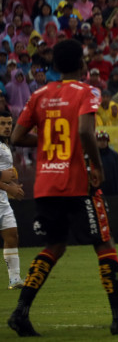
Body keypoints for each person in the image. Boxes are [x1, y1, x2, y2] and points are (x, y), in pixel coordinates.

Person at [8, 38, 118, 336]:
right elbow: (84, 130)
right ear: (82, 64)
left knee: (54, 246)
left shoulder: (39, 95)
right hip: (77, 184)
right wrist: (97, 166)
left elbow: (16, 137)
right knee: (104, 244)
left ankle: (20, 312)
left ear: (55, 66)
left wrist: (47, 140)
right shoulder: (86, 92)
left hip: (46, 184)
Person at [0, 111, 24, 290]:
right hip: (4, 193)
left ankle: (14, 279)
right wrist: (9, 188)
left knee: (12, 235)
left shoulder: (5, 145)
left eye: (9, 123)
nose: (7, 127)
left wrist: (13, 185)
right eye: (2, 124)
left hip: (2, 201)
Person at [96, 130, 118, 197]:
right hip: (98, 190)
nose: (102, 142)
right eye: (100, 140)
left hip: (113, 191)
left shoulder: (114, 155)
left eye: (104, 140)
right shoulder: (93, 155)